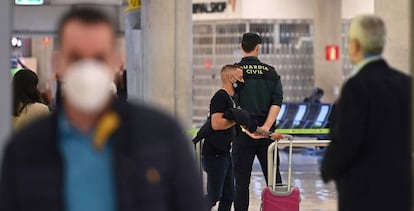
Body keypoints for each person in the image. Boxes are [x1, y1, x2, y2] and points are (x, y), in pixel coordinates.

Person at [0, 7, 205, 211]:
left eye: (99, 58)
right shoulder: (25, 148)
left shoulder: (162, 137)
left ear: (116, 63)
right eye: (76, 58)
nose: (88, 69)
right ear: (58, 63)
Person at [321, 15, 411, 211]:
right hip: (401, 192)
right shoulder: (405, 83)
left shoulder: (356, 87)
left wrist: (328, 169)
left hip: (364, 193)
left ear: (354, 45)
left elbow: (347, 141)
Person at [233, 32, 284, 211]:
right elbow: (277, 101)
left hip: (242, 134)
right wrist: (265, 129)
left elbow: (232, 103)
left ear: (241, 46)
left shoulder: (234, 72)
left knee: (241, 182)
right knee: (274, 180)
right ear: (258, 47)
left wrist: (248, 128)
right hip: (267, 136)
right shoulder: (271, 72)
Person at [202, 65, 243, 211]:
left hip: (225, 153)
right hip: (215, 154)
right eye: (240, 78)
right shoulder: (220, 96)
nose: (242, 81)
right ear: (231, 79)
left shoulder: (231, 99)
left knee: (228, 196)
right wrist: (237, 120)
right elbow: (216, 123)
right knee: (214, 196)